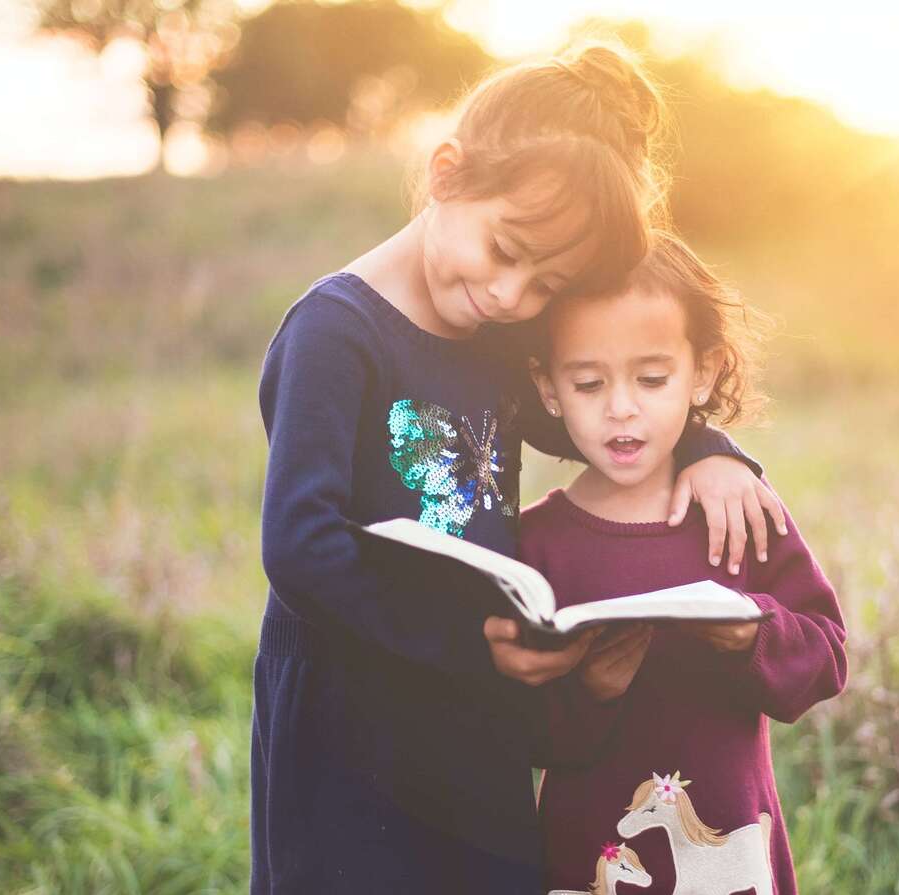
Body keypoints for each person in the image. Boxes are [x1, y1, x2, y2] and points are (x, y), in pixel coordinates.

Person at [253, 44, 784, 893]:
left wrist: (714, 452)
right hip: (352, 728)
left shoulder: (497, 343)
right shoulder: (335, 334)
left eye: (547, 285)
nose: (511, 296)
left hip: (475, 724)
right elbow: (300, 547)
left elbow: (610, 428)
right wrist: (474, 646)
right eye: (506, 249)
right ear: (446, 175)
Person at [523, 231, 848, 895]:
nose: (621, 406)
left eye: (651, 378)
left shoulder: (738, 509)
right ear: (548, 387)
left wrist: (754, 633)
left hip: (727, 852)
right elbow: (513, 726)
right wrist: (589, 691)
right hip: (590, 854)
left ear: (701, 371)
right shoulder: (536, 543)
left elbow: (827, 655)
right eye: (588, 381)